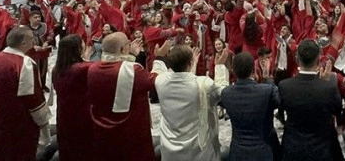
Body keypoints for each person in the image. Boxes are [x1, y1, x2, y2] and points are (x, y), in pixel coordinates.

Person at [86, 32, 169, 161]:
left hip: (102, 129)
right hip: (129, 130)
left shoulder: (92, 68)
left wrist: (131, 55)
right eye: (128, 44)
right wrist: (159, 58)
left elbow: (119, 65)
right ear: (123, 49)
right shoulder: (133, 70)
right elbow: (155, 81)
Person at [0, 26, 51, 161]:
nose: (34, 41)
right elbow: (34, 99)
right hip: (21, 124)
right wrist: (44, 123)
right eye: (32, 39)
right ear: (24, 43)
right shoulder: (24, 63)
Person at [154, 44, 230, 161]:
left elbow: (162, 71)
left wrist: (159, 57)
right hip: (199, 152)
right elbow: (223, 93)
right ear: (190, 63)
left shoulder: (160, 81)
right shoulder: (204, 84)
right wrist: (220, 66)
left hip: (170, 151)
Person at [279, 39, 344, 161]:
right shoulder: (329, 88)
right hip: (323, 151)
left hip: (293, 150)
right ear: (318, 59)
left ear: (297, 59)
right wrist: (325, 84)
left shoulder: (284, 86)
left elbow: (281, 115)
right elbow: (338, 114)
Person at [220, 52, 280, 161]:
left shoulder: (226, 93)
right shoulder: (267, 90)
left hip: (238, 153)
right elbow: (279, 101)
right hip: (263, 152)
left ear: (233, 71)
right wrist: (267, 78)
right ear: (254, 70)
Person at [51, 34, 94, 161]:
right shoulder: (83, 68)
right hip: (83, 115)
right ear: (78, 48)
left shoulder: (56, 69)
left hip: (64, 114)